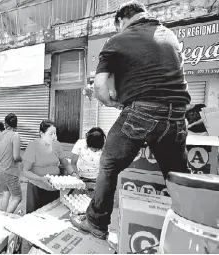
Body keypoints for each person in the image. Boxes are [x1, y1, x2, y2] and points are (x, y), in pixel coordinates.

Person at [72, 1, 191, 240]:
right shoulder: (169, 36)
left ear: (121, 21)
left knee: (108, 163)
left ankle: (96, 221)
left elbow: (99, 86)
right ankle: (191, 220)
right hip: (178, 115)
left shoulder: (118, 40)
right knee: (176, 174)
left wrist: (112, 103)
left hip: (142, 112)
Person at [22, 120, 77, 214]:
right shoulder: (33, 146)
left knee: (51, 214)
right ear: (42, 134)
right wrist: (41, 179)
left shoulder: (57, 145)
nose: (54, 137)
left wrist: (73, 173)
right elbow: (25, 171)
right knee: (36, 216)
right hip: (37, 187)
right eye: (50, 134)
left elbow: (66, 163)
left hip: (54, 187)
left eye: (55, 133)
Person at [0, 113, 22, 213]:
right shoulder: (15, 136)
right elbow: (16, 156)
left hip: (1, 169)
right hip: (10, 170)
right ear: (16, 124)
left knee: (6, 193)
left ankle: (2, 215)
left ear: (5, 123)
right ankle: (6, 217)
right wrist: (21, 159)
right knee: (17, 197)